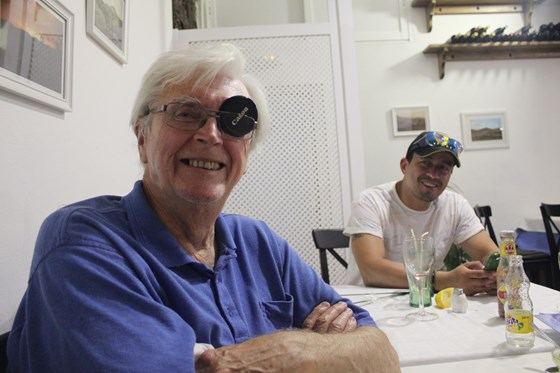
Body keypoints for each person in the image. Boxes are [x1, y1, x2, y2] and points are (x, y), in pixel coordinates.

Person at [7, 44, 399, 373]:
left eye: (234, 120)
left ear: (246, 150)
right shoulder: (84, 244)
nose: (210, 134)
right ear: (142, 137)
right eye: (184, 113)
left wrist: (282, 354)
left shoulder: (258, 241)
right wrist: (319, 348)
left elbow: (380, 351)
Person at [344, 131, 498, 296]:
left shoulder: (455, 205)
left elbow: (490, 254)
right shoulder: (370, 202)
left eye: (443, 168)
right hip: (368, 303)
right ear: (404, 165)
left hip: (425, 303)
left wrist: (495, 272)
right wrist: (445, 280)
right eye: (425, 164)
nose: (432, 175)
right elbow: (372, 270)